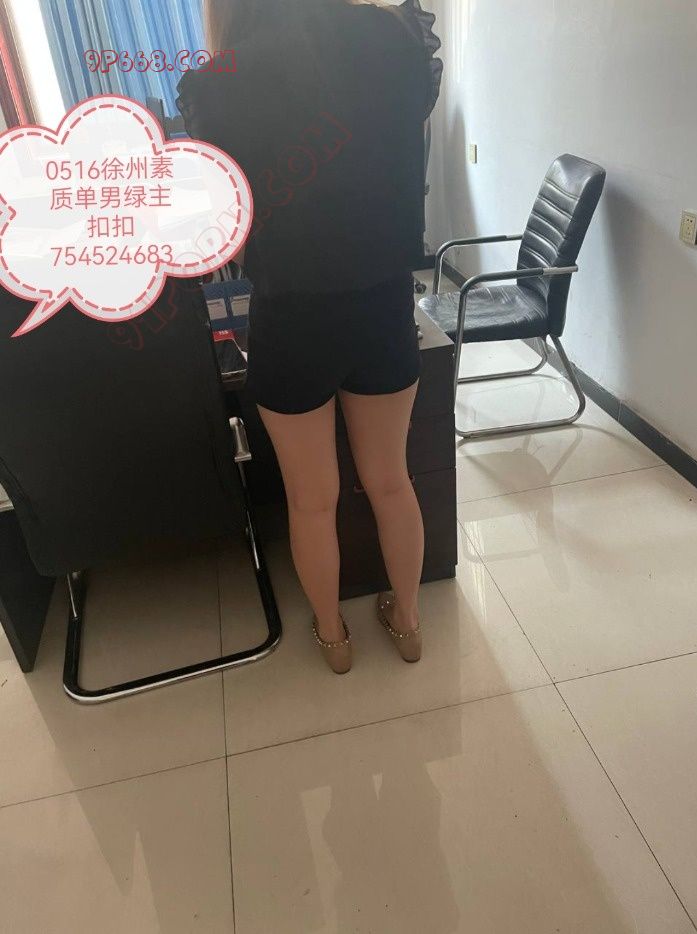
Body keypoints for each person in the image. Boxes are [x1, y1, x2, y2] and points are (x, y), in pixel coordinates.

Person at [177, 0, 442, 674]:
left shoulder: (220, 80)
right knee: (392, 481)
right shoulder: (391, 39)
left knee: (311, 500)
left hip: (290, 316)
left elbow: (215, 218)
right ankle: (408, 622)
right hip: (383, 303)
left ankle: (333, 638)